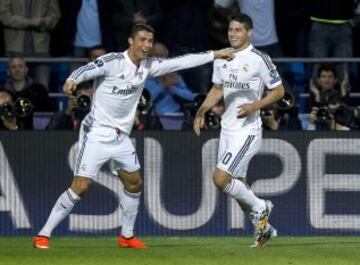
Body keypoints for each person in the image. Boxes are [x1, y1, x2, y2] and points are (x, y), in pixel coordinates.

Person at [32, 22, 238, 249]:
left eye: (150, 41)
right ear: (131, 41)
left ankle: (127, 237)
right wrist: (71, 81)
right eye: (142, 40)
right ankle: (43, 234)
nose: (147, 45)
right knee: (80, 187)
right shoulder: (113, 62)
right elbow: (86, 70)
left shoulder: (148, 66)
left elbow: (180, 62)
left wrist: (215, 54)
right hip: (97, 133)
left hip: (121, 137)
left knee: (134, 183)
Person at [193, 13, 284, 247]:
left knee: (220, 178)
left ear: (249, 32)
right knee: (238, 186)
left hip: (248, 131)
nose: (233, 34)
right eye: (231, 30)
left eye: (238, 30)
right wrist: (202, 111)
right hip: (227, 130)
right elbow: (217, 88)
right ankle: (263, 229)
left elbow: (278, 91)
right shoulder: (221, 57)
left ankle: (262, 207)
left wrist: (255, 105)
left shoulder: (259, 59)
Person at [0, 0, 61, 89]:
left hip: (41, 51)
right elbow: (4, 17)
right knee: (13, 92)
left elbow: (55, 16)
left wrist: (43, 22)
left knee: (41, 90)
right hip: (14, 50)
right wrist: (30, 22)